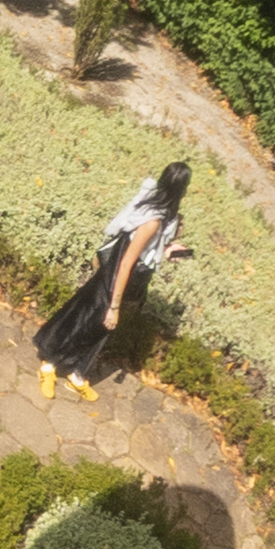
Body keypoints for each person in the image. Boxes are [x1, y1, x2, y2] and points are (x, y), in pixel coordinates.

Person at [35, 159, 191, 388]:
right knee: (91, 317)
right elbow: (126, 263)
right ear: (180, 189)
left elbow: (150, 245)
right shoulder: (153, 221)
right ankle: (49, 365)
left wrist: (168, 249)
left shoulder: (159, 208)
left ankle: (78, 373)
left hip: (126, 272)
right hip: (120, 273)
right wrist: (115, 306)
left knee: (104, 323)